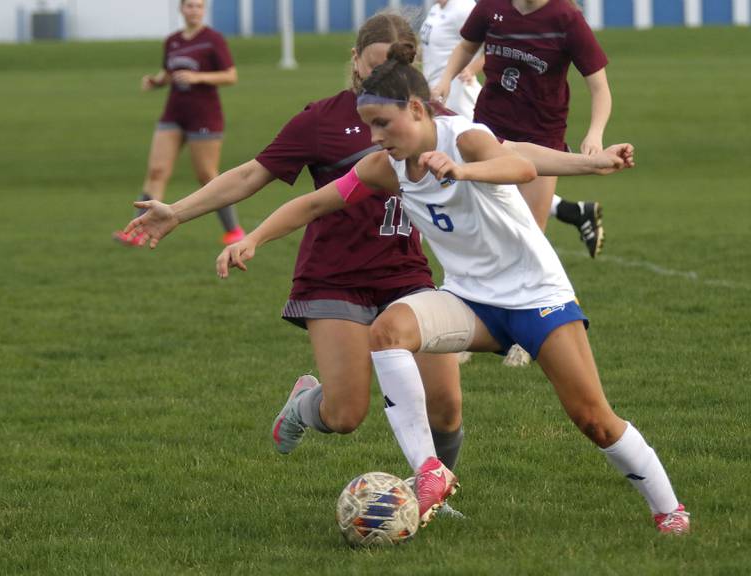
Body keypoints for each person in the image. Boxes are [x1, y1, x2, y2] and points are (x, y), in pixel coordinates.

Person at [214, 43, 690, 535]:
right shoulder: (387, 165)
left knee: (594, 419)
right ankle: (429, 473)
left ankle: (669, 509)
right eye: (370, 126)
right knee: (388, 331)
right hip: (469, 300)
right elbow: (314, 204)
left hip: (536, 298)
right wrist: (252, 238)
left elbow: (521, 168)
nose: (376, 138)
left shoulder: (464, 138)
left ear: (416, 109)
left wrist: (465, 171)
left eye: (383, 124)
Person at [120, 13, 468, 517]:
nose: (378, 83)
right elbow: (248, 175)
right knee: (346, 413)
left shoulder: (435, 120)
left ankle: (431, 499)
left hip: (406, 276)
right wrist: (177, 211)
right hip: (335, 279)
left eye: (390, 72)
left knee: (447, 405)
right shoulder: (323, 119)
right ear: (353, 61)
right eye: (370, 70)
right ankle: (305, 403)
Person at [432, 0, 612, 259]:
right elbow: (465, 46)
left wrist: (595, 133)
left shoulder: (567, 19)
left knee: (530, 239)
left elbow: (600, 88)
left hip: (542, 137)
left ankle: (544, 297)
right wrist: (445, 79)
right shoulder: (491, 7)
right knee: (485, 231)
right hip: (490, 130)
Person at [113, 0, 245, 247]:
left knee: (207, 176)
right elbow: (167, 73)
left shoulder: (213, 39)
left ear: (203, 10)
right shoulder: (172, 40)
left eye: (198, 6)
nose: (194, 10)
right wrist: (155, 81)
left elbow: (231, 75)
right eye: (189, 6)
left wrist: (198, 77)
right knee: (156, 172)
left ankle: (234, 231)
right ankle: (137, 231)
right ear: (181, 9)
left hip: (204, 116)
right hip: (173, 114)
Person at [420, 0, 483, 120]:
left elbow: (496, 44)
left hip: (458, 94)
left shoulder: (464, 8)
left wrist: (472, 68)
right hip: (435, 92)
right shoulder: (436, 8)